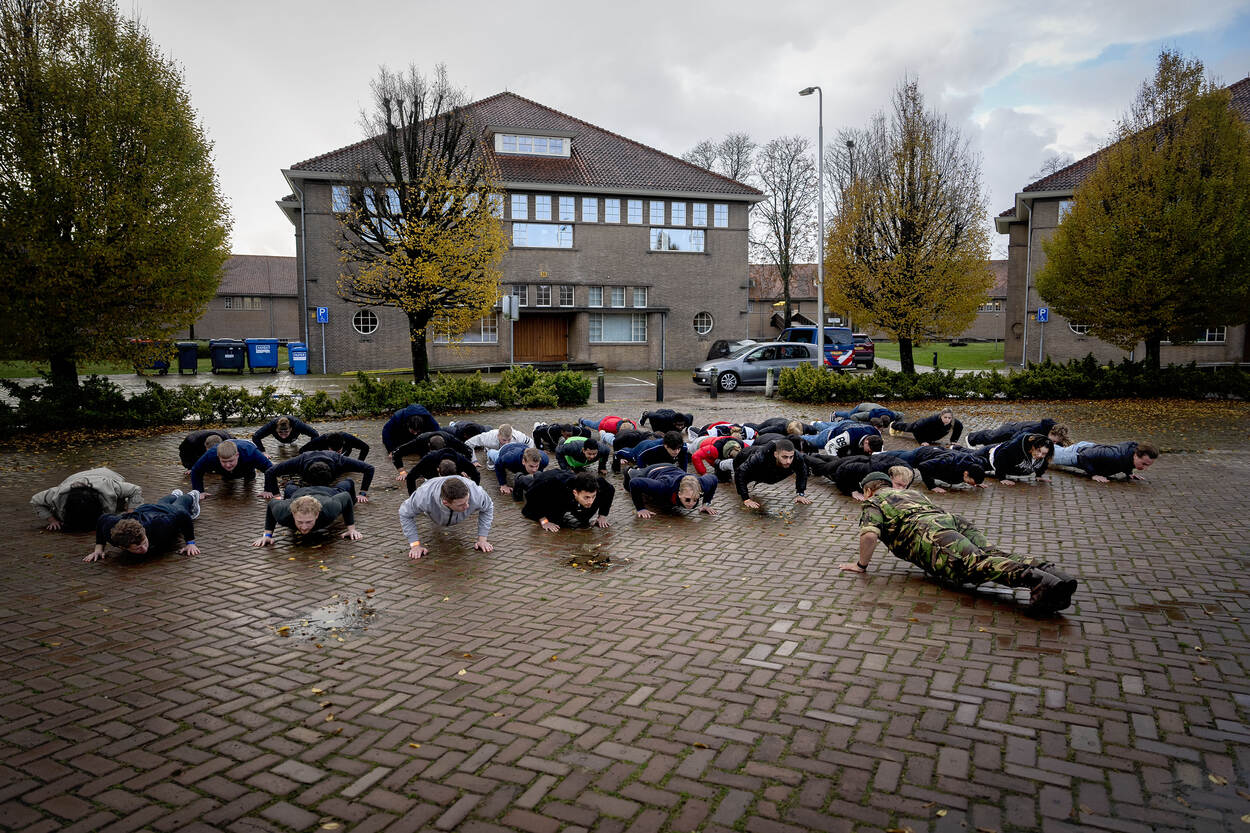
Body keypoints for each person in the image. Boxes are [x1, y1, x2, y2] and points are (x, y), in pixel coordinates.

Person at [840, 473, 1078, 614]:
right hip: (952, 521)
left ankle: (1037, 581)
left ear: (869, 490)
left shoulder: (873, 502)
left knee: (973, 565)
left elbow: (869, 535)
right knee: (991, 553)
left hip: (929, 532)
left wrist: (861, 565)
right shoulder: (911, 493)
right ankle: (1053, 574)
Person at [85, 489, 201, 563]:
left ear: (144, 533)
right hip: (144, 509)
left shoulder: (160, 525)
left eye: (144, 542)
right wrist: (98, 549)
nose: (144, 549)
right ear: (122, 547)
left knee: (180, 505)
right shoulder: (111, 532)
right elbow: (102, 519)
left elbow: (182, 515)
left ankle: (192, 495)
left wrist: (190, 543)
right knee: (161, 503)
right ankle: (174, 494)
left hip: (166, 512)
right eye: (138, 548)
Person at [400, 475, 495, 560]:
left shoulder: (477, 493)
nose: (467, 506)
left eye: (467, 501)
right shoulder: (423, 497)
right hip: (433, 505)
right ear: (445, 502)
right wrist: (415, 545)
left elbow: (488, 507)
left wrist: (482, 540)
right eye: (461, 504)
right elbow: (404, 513)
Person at [31, 468, 144, 531]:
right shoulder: (58, 494)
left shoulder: (109, 486)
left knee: (120, 507)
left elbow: (136, 490)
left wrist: (130, 514)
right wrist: (52, 520)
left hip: (106, 474)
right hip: (73, 478)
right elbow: (36, 500)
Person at [252, 481, 361, 546]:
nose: (304, 527)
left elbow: (346, 496)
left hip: (325, 492)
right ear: (293, 514)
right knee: (289, 488)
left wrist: (351, 529)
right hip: (297, 494)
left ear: (317, 515)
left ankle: (348, 481)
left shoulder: (330, 508)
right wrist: (267, 535)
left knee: (344, 486)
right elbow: (271, 503)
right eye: (300, 522)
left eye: (308, 522)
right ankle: (290, 483)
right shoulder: (283, 512)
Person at [521, 470, 614, 532]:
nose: (591, 501)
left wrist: (602, 515)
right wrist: (544, 521)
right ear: (575, 492)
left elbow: (610, 490)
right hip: (545, 485)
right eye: (586, 498)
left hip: (567, 493)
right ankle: (522, 478)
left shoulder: (598, 483)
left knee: (584, 519)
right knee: (554, 521)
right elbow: (531, 495)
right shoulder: (554, 484)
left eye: (593, 497)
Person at [262, 451, 375, 502]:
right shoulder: (299, 461)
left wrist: (363, 493)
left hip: (330, 463)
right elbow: (270, 472)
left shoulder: (340, 461)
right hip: (305, 464)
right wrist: (276, 495)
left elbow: (369, 468)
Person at [733, 438, 811, 510]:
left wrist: (801, 494)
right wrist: (746, 499)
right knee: (741, 475)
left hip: (764, 470)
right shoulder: (759, 457)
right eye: (784, 457)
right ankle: (724, 463)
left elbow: (802, 472)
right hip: (742, 458)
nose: (789, 461)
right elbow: (740, 472)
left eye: (791, 457)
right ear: (775, 454)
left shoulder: (797, 457)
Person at [624, 463, 718, 518]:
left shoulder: (702, 485)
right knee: (632, 484)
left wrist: (706, 503)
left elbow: (714, 478)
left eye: (695, 499)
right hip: (653, 471)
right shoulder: (664, 487)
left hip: (674, 469)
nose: (692, 504)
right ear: (679, 493)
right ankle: (631, 469)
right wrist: (640, 509)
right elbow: (634, 483)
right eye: (687, 499)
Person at [803, 453, 912, 499]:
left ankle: (816, 455)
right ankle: (803, 456)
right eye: (898, 484)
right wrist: (851, 491)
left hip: (862, 460)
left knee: (835, 461)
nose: (901, 489)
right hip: (847, 468)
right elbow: (843, 471)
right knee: (825, 468)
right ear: (890, 477)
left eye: (904, 486)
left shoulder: (907, 473)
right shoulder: (870, 470)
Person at [190, 440, 273, 495]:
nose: (228, 465)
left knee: (249, 479)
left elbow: (270, 469)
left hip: (246, 461)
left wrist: (268, 489)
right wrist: (199, 491)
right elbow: (196, 470)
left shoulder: (251, 453)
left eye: (230, 461)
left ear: (237, 455)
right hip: (222, 467)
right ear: (218, 456)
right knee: (227, 480)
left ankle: (249, 475)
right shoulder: (210, 455)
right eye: (224, 461)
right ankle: (227, 474)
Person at [1051, 440, 1159, 482]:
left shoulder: (1133, 453)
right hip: (1078, 453)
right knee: (1047, 453)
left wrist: (1129, 472)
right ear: (1136, 455)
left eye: (1148, 465)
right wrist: (1093, 475)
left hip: (1092, 450)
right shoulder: (1114, 456)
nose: (1145, 468)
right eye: (1144, 464)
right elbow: (1084, 456)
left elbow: (1127, 461)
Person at [971, 432, 1053, 486]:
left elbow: (1044, 462)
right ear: (1033, 446)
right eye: (1038, 451)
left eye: (1044, 453)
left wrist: (1039, 475)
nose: (1040, 455)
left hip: (999, 460)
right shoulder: (1017, 445)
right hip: (988, 457)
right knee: (969, 459)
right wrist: (1002, 478)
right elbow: (1001, 456)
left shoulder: (1046, 453)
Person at [907, 446, 988, 493]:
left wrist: (977, 482)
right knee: (898, 458)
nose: (971, 485)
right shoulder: (949, 462)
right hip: (919, 455)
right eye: (969, 482)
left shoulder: (972, 466)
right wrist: (931, 486)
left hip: (934, 452)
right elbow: (923, 466)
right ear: (966, 473)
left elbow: (977, 472)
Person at [402, 448, 480, 493]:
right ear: (438, 470)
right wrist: (413, 497)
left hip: (456, 468)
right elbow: (410, 477)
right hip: (430, 471)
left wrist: (472, 493)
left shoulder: (462, 460)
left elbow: (476, 475)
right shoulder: (428, 459)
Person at [391, 430, 472, 473]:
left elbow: (468, 451)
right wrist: (402, 472)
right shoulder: (420, 441)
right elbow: (396, 453)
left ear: (445, 446)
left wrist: (464, 469)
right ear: (429, 446)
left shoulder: (450, 439)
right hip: (424, 454)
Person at [966, 419, 1069, 449]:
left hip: (1015, 431)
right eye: (1053, 441)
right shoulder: (1036, 429)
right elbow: (1018, 437)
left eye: (1056, 442)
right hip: (1010, 429)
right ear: (1051, 432)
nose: (1054, 443)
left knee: (994, 441)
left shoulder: (1055, 435)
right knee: (992, 436)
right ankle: (971, 438)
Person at [467, 424, 533, 467]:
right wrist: (473, 460)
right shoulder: (488, 437)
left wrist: (526, 458)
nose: (507, 443)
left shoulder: (518, 436)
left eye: (509, 440)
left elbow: (530, 442)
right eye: (504, 440)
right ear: (498, 435)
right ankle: (488, 452)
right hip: (492, 447)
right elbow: (469, 443)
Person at [890, 408, 963, 446]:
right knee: (907, 427)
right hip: (920, 427)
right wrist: (921, 441)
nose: (947, 420)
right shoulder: (933, 419)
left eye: (949, 418)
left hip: (931, 436)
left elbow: (959, 428)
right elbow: (917, 428)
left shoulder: (954, 422)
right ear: (941, 416)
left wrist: (954, 441)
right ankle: (893, 425)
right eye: (945, 417)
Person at [251, 415, 319, 452]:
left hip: (293, 437)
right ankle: (281, 440)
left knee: (294, 447)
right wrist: (262, 452)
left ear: (291, 429)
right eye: (280, 432)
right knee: (281, 446)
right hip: (279, 439)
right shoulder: (272, 425)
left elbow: (315, 434)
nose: (283, 436)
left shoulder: (298, 425)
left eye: (286, 432)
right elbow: (255, 437)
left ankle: (292, 440)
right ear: (276, 429)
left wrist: (311, 450)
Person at [300, 431, 371, 460]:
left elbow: (365, 448)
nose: (336, 454)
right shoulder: (320, 441)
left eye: (338, 452)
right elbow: (302, 451)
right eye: (333, 451)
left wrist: (359, 462)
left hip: (343, 458)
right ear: (328, 446)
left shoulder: (349, 439)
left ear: (343, 444)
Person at [831, 402, 905, 428]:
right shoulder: (870, 414)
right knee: (849, 415)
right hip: (861, 407)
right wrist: (860, 425)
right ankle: (835, 414)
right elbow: (854, 417)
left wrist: (899, 426)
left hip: (872, 406)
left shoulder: (892, 414)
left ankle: (843, 420)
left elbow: (901, 415)